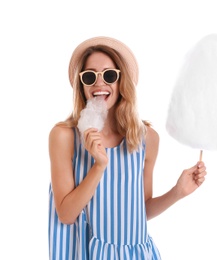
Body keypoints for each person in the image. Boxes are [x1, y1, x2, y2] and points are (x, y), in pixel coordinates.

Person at [48, 36, 207, 260]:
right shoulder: (64, 136)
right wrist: (99, 166)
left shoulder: (146, 138)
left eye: (110, 75)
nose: (99, 84)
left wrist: (178, 192)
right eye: (90, 76)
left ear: (121, 82)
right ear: (81, 84)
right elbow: (65, 214)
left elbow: (140, 211)